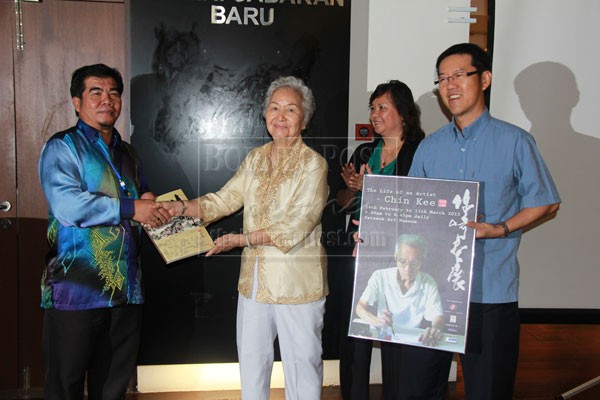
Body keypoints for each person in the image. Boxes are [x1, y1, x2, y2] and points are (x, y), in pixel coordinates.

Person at [408, 43, 561, 400]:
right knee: (419, 389)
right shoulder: (430, 147)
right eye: (443, 79)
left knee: (488, 391)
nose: (450, 86)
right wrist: (375, 236)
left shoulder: (515, 141)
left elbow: (547, 201)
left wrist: (502, 228)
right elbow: (411, 211)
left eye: (460, 75)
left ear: (485, 79)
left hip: (489, 293)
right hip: (432, 292)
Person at [161, 76, 329, 400]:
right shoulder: (255, 158)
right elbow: (223, 200)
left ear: (304, 119)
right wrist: (179, 208)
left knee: (303, 371)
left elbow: (297, 226)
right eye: (274, 107)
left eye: (291, 109)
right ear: (265, 114)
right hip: (253, 283)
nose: (280, 116)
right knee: (251, 367)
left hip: (298, 285)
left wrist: (240, 240)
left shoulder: (314, 165)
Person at [38, 64, 170, 400]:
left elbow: (140, 190)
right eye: (95, 92)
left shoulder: (128, 153)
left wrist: (148, 200)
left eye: (113, 92)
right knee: (65, 387)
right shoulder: (63, 146)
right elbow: (68, 206)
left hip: (125, 290)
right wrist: (131, 209)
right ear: (76, 102)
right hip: (75, 292)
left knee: (112, 387)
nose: (106, 100)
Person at [335, 80, 424, 400]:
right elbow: (342, 203)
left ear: (403, 113)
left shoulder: (420, 152)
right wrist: (355, 189)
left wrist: (374, 188)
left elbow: (421, 203)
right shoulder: (363, 152)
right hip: (360, 253)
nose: (375, 113)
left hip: (400, 258)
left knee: (395, 334)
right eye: (372, 107)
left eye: (382, 107)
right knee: (355, 335)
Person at [355, 234, 444, 347]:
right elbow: (360, 307)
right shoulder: (380, 276)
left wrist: (434, 329)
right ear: (396, 257)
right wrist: (376, 321)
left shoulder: (428, 281)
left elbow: (438, 315)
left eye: (414, 263)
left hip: (413, 341)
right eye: (403, 261)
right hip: (386, 339)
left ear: (422, 260)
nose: (407, 269)